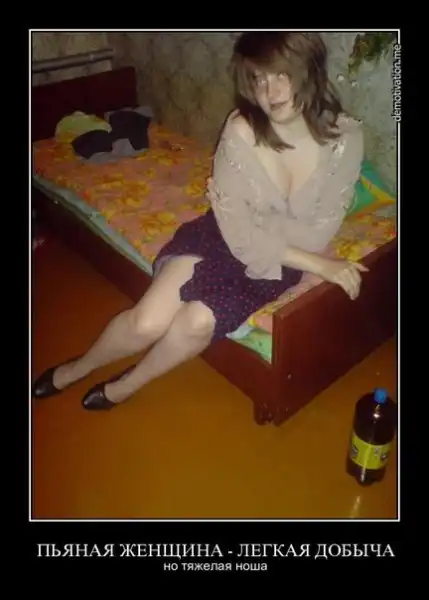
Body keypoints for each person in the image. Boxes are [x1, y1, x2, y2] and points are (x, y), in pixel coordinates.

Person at [32, 31, 365, 410]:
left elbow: (318, 233)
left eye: (281, 74)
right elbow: (238, 234)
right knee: (147, 322)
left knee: (196, 322)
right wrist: (313, 260)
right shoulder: (241, 130)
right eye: (258, 78)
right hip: (219, 237)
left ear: (310, 69)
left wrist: (254, 225)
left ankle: (126, 384)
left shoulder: (345, 138)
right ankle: (79, 367)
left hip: (276, 267)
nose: (269, 92)